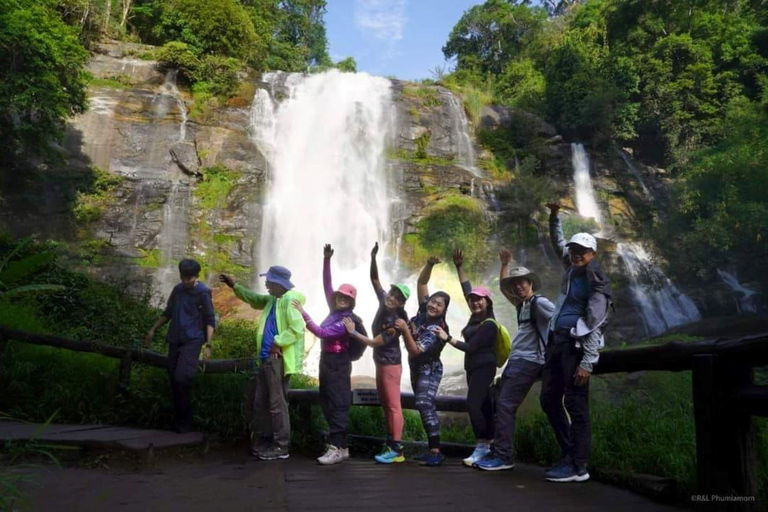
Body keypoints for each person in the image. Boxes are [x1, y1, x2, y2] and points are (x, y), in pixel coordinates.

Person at [540, 202, 612, 482]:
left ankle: (578, 465)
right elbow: (558, 242)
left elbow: (595, 321)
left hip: (576, 347)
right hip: (557, 342)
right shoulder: (570, 269)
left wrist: (588, 362)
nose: (576, 255)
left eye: (582, 251)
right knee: (548, 399)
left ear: (592, 253)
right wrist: (554, 216)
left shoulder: (597, 280)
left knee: (575, 402)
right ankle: (569, 452)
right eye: (574, 250)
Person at [475, 250, 555, 471]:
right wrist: (505, 264)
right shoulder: (522, 305)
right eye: (516, 283)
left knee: (506, 405)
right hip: (516, 360)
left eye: (522, 283)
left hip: (529, 361)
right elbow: (503, 288)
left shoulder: (539, 303)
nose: (518, 286)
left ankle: (503, 456)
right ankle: (499, 450)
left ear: (531, 283)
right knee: (498, 402)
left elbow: (557, 319)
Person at [219, 266, 306, 461]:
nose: (266, 284)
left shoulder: (289, 302)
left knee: (276, 404)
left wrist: (278, 343)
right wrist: (234, 286)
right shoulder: (272, 301)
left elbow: (297, 328)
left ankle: (281, 447)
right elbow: (253, 299)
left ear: (278, 283)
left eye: (269, 281)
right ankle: (265, 442)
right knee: (261, 402)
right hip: (266, 359)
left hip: (277, 360)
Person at [292, 244, 364, 466]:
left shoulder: (346, 320)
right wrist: (326, 259)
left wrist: (304, 314)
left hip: (338, 362)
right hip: (327, 361)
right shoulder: (334, 311)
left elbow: (322, 333)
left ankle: (337, 448)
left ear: (351, 302)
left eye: (345, 297)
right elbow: (327, 285)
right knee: (326, 399)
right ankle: (340, 447)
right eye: (339, 295)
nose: (340, 298)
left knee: (337, 402)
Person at [343, 242, 411, 464]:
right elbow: (374, 279)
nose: (392, 298)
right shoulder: (384, 301)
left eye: (397, 298)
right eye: (392, 293)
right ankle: (391, 443)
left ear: (402, 303)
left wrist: (353, 333)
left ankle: (397, 449)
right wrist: (373, 257)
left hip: (390, 365)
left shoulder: (396, 322)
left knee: (393, 406)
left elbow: (374, 342)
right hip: (381, 364)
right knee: (386, 405)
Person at [435, 249, 497, 467]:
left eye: (480, 300)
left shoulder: (489, 324)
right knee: (484, 405)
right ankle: (490, 443)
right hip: (474, 368)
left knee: (473, 404)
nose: (475, 302)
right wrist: (459, 267)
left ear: (488, 302)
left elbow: (471, 348)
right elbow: (467, 291)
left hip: (484, 367)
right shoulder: (474, 317)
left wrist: (447, 338)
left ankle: (481, 447)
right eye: (473, 301)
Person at [145, 259, 216, 434]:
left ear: (197, 276)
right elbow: (168, 312)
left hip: (193, 340)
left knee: (182, 377)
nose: (186, 282)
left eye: (189, 278)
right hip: (175, 338)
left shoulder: (203, 292)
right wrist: (152, 329)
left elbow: (209, 319)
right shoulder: (178, 290)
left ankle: (187, 421)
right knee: (173, 380)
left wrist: (208, 345)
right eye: (183, 278)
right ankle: (179, 421)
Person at [404, 256, 451, 467]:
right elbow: (421, 283)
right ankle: (431, 448)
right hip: (416, 368)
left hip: (429, 368)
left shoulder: (435, 329)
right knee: (422, 404)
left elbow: (415, 351)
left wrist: (405, 329)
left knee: (424, 403)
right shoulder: (423, 312)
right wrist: (429, 264)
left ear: (443, 310)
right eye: (432, 301)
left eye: (439, 305)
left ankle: (436, 450)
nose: (433, 305)